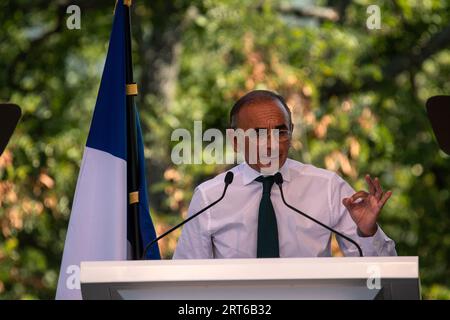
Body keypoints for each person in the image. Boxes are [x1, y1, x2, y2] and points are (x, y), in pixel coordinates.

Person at [173, 90, 396, 259]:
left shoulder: (327, 187)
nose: (271, 145)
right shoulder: (210, 197)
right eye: (259, 134)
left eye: (280, 132)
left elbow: (381, 273)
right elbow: (186, 280)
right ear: (235, 140)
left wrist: (368, 233)